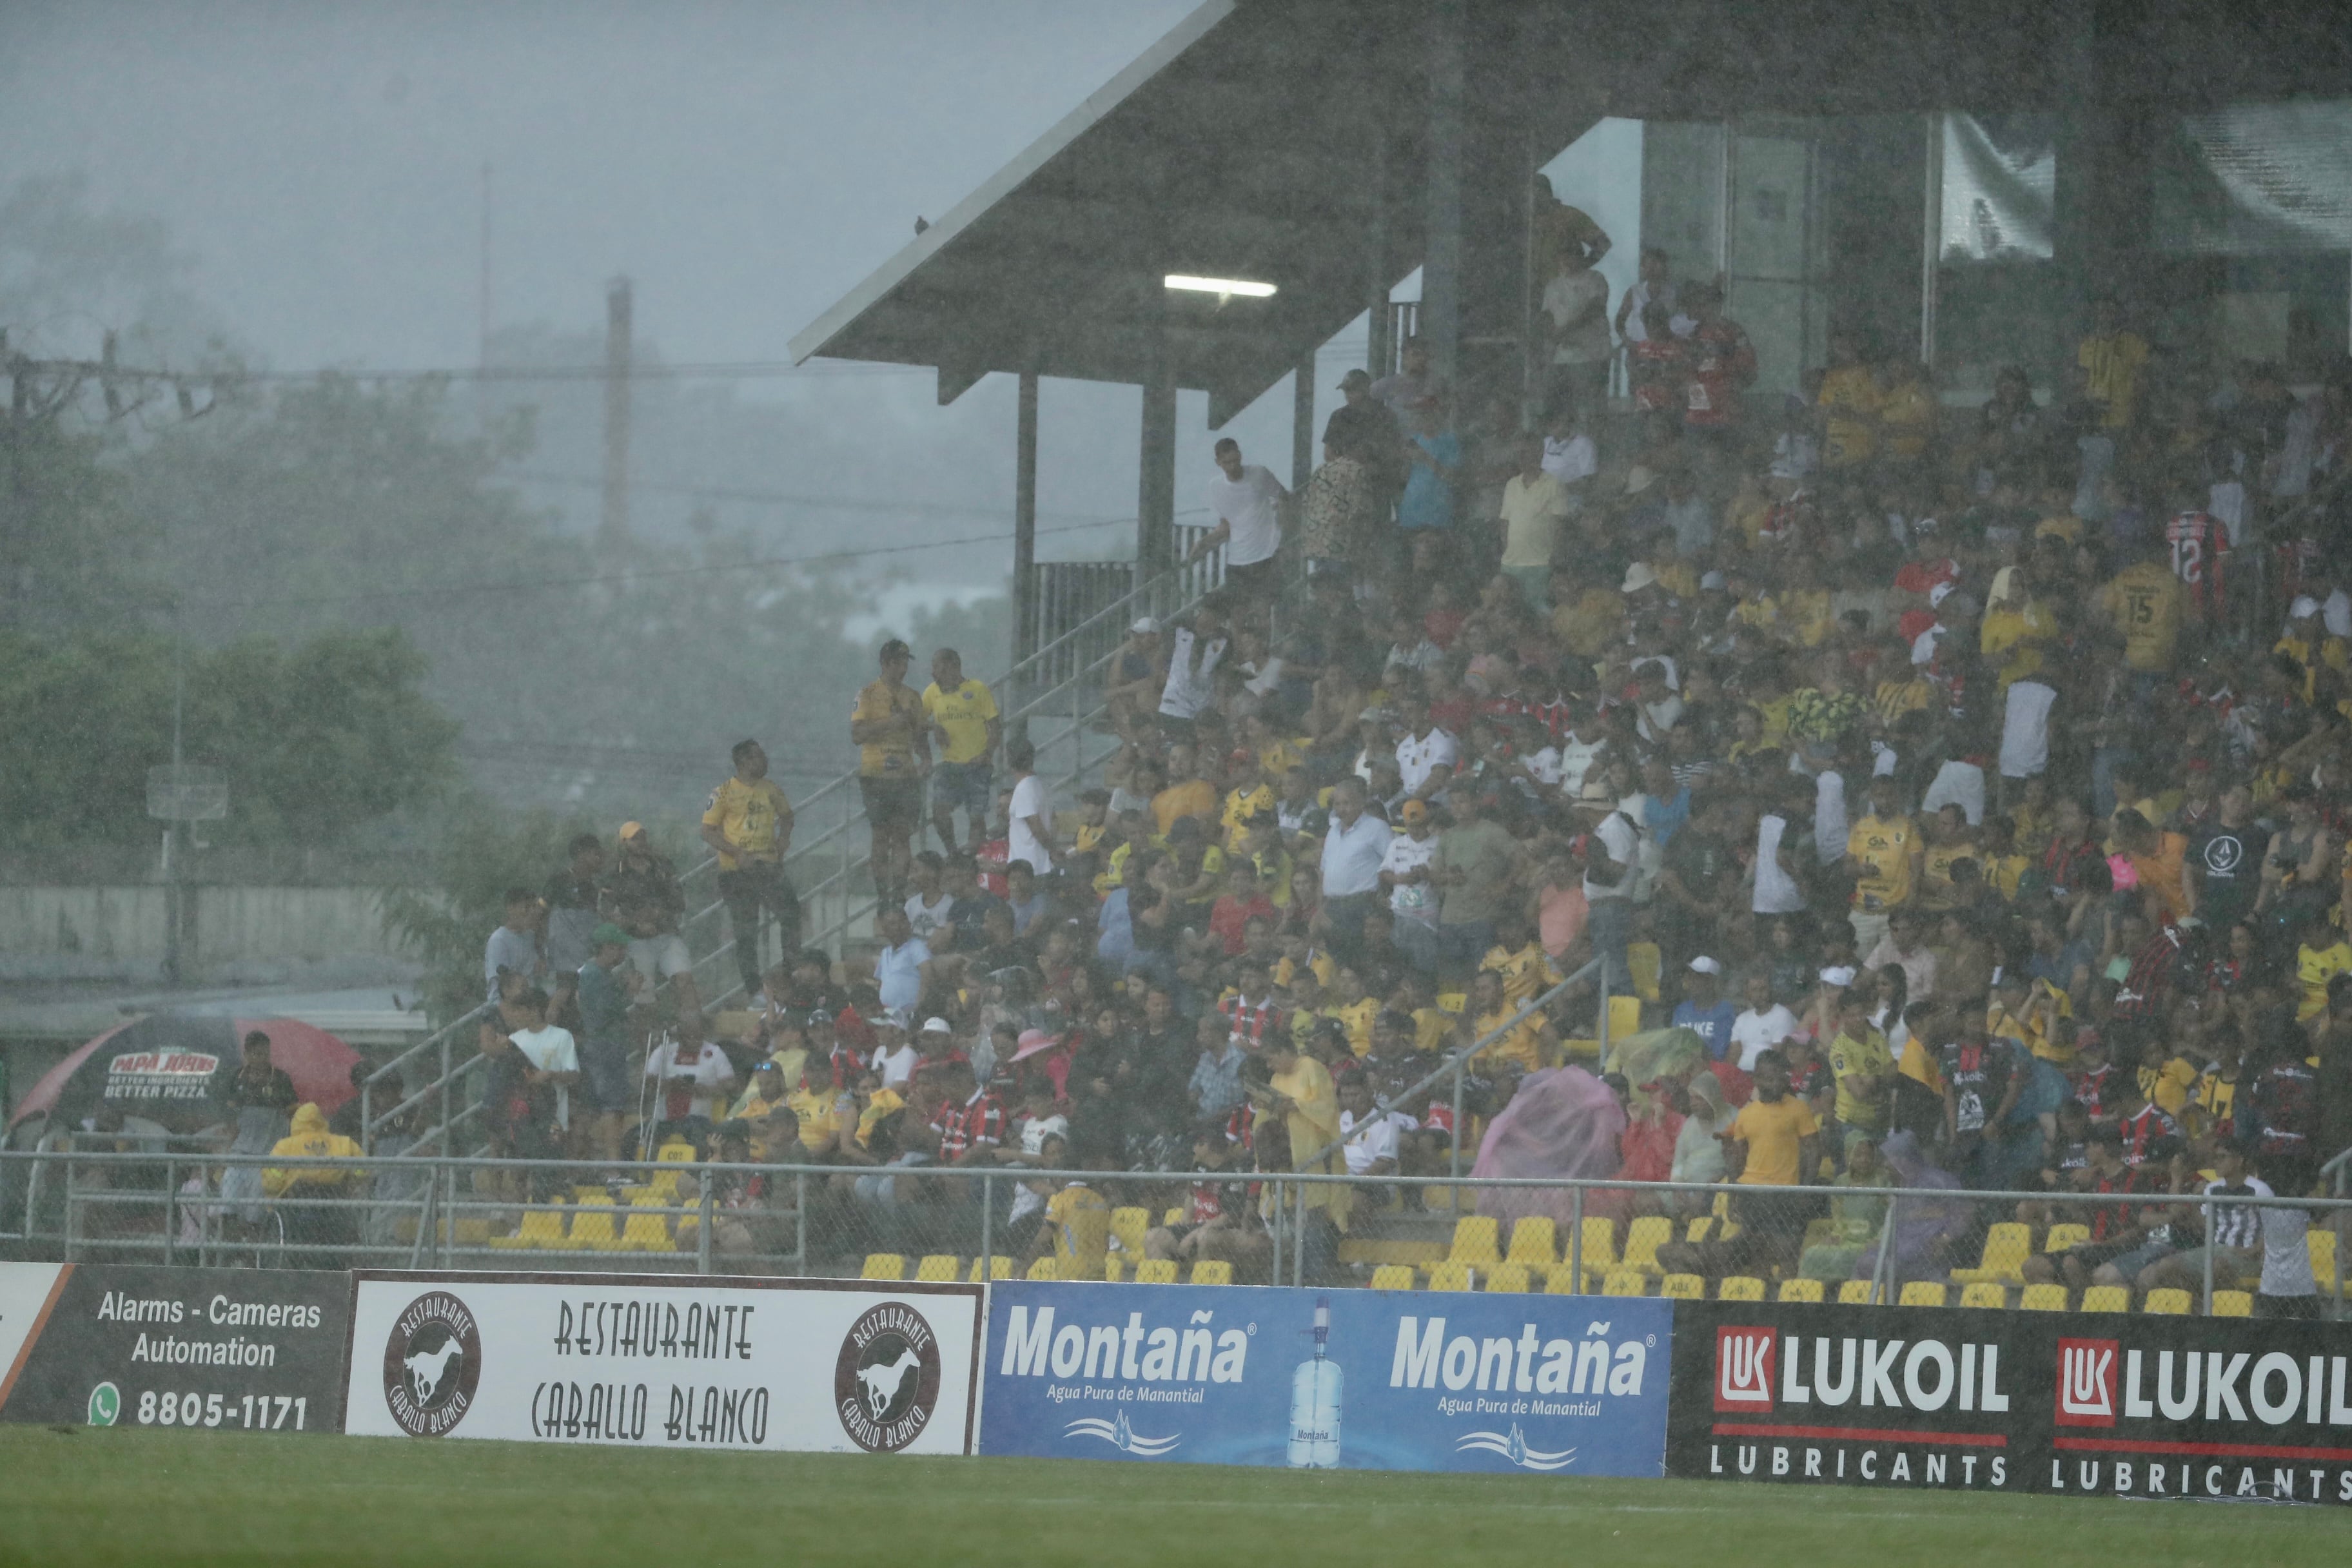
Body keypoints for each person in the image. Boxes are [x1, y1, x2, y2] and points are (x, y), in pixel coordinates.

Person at [701, 740, 799, 1005]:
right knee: (746, 932)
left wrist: (784, 839)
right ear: (743, 762)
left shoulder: (771, 790)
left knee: (790, 913)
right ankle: (754, 989)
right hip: (737, 872)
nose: (765, 761)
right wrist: (736, 852)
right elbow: (708, 830)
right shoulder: (723, 793)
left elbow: (788, 816)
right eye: (759, 757)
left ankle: (792, 971)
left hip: (768, 867)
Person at [852, 638, 929, 906]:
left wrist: (927, 758)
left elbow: (919, 733)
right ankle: (882, 893)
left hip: (906, 775)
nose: (905, 667)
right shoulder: (868, 694)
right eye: (900, 662)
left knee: (902, 835)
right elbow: (857, 734)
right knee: (881, 835)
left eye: (907, 661)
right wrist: (891, 722)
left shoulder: (913, 696)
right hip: (876, 774)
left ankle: (898, 893)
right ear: (887, 663)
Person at [261, 1102, 365, 1270]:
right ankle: (334, 1263)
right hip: (334, 1200)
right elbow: (363, 1170)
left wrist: (274, 1196)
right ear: (321, 1120)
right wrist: (352, 1183)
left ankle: (299, 1263)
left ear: (296, 1122)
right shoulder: (344, 1143)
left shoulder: (286, 1146)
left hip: (298, 1203)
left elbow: (271, 1182)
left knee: (298, 1237)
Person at [607, 821, 695, 1018]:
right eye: (634, 839)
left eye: (642, 837)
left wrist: (658, 913)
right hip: (636, 941)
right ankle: (649, 1044)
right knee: (645, 1000)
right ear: (624, 844)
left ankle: (690, 1035)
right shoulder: (615, 874)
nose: (640, 842)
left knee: (684, 981)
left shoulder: (662, 866)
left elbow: (680, 901)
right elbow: (606, 912)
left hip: (667, 935)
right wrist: (635, 924)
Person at [573, 922, 643, 1164]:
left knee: (591, 1109)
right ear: (608, 948)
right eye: (620, 948)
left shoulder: (597, 975)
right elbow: (604, 1014)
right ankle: (613, 1169)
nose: (623, 954)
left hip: (599, 1047)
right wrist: (629, 991)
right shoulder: (594, 976)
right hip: (605, 1048)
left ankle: (579, 1167)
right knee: (613, 1108)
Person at [922, 647, 1000, 856]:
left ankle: (972, 858)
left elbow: (995, 725)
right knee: (940, 812)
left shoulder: (977, 689)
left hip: (977, 764)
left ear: (952, 666)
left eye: (937, 666)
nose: (933, 671)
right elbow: (916, 721)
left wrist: (987, 754)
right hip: (950, 765)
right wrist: (934, 727)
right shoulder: (932, 692)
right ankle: (953, 854)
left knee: (976, 817)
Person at [1192, 438, 1289, 603]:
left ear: (1240, 456)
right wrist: (1202, 543)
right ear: (1218, 463)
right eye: (1227, 463)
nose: (1232, 467)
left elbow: (1284, 498)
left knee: (1263, 610)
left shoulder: (1259, 473)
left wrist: (1283, 533)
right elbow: (1225, 526)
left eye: (1235, 461)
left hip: (1266, 553)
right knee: (1238, 612)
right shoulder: (1216, 486)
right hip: (1237, 558)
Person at [642, 1011, 738, 1146]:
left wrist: (704, 1089)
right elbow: (648, 1082)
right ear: (680, 1035)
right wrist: (669, 1084)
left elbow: (731, 1085)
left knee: (697, 1133)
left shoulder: (715, 1053)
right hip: (665, 1120)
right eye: (691, 1037)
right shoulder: (664, 1051)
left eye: (699, 1036)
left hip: (698, 1120)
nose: (696, 1041)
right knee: (638, 1134)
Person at [542, 832, 607, 975]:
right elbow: (540, 914)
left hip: (586, 959)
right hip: (561, 961)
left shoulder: (596, 887)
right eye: (596, 854)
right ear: (581, 855)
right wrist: (540, 952)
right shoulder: (559, 881)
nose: (600, 858)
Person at [483, 887, 544, 1003]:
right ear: (511, 908)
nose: (532, 912)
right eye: (526, 908)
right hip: (510, 1009)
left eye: (534, 907)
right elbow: (498, 989)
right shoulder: (499, 941)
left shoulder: (532, 937)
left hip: (532, 1005)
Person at [1004, 740, 1056, 876]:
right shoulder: (1043, 785)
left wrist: (1053, 851)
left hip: (1028, 868)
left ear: (1009, 762)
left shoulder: (1024, 789)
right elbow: (1054, 821)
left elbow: (1036, 828)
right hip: (1040, 863)